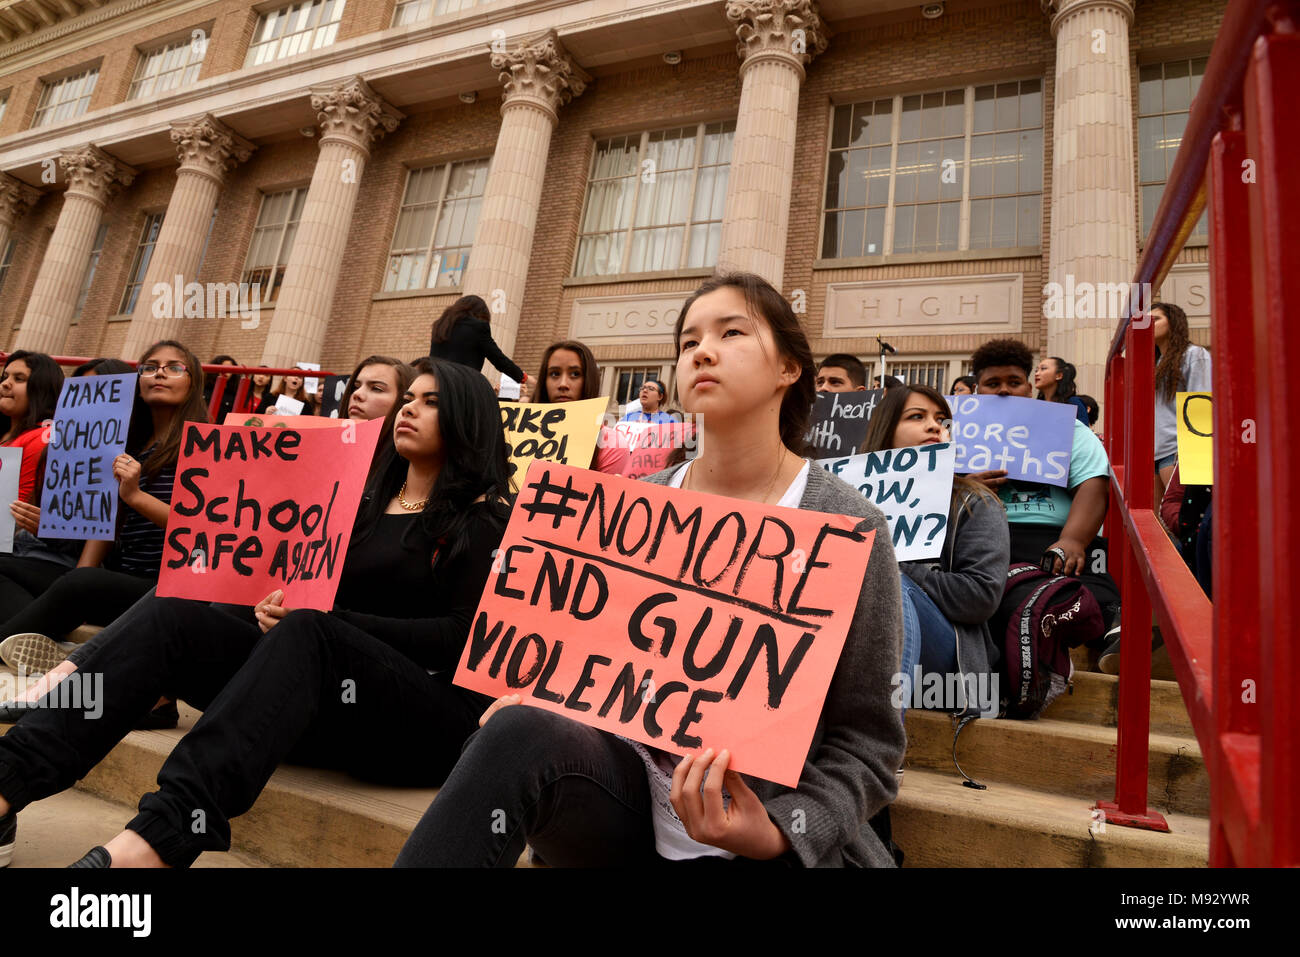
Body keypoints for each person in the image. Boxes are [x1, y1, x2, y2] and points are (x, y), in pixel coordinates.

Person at [395, 271, 905, 868]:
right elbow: (588, 665)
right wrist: (537, 696)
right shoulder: (628, 505)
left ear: (791, 368)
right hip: (626, 817)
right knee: (517, 732)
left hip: (759, 845)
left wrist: (777, 832)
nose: (702, 352)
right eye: (688, 343)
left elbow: (869, 744)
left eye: (732, 332)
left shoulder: (849, 525)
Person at [0, 358, 512, 869]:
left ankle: (155, 844)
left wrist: (331, 624)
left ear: (468, 417)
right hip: (322, 699)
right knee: (171, 611)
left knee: (311, 630)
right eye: (408, 398)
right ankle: (7, 784)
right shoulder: (364, 503)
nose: (409, 410)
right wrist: (278, 605)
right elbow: (317, 603)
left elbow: (464, 636)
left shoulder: (485, 518)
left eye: (431, 402)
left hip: (425, 723)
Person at [0, 340, 210, 679]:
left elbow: (205, 529)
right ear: (137, 383)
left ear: (193, 382)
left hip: (170, 585)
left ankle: (25, 645)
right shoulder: (127, 445)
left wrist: (136, 496)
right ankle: (43, 646)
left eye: (174, 367)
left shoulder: (205, 444)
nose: (159, 373)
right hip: (123, 574)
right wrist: (76, 574)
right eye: (150, 367)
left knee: (81, 585)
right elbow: (105, 524)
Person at [859, 385, 1008, 722]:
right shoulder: (847, 499)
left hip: (949, 672)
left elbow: (980, 596)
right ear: (886, 429)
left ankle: (879, 749)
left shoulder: (975, 503)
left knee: (889, 580)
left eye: (943, 421)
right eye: (917, 416)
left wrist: (900, 568)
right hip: (855, 647)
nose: (935, 427)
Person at [965, 338, 1119, 644]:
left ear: (1028, 386)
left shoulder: (1067, 428)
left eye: (1014, 381)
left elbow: (1093, 482)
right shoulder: (955, 433)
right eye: (992, 383)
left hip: (1055, 538)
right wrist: (966, 487)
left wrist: (1073, 539)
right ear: (977, 390)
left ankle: (1106, 625)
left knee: (1094, 586)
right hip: (983, 537)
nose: (1004, 390)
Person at [1151, 302, 1211, 498]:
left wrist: (1194, 458)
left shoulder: (1194, 355)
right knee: (1157, 524)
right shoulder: (1155, 362)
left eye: (1156, 319)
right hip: (1153, 452)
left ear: (1173, 323)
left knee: (1179, 519)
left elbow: (1201, 406)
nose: (1150, 323)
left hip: (1177, 451)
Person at [429, 294, 527, 388]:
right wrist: (522, 377)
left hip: (436, 382)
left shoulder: (440, 327)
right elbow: (498, 359)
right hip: (462, 386)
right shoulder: (478, 327)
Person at [1033, 356, 1089, 424]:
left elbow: (1083, 432)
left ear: (1059, 375)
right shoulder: (1036, 406)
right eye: (1036, 370)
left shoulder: (1073, 403)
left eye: (1043, 368)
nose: (1037, 374)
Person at [202, 355, 242, 421]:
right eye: (223, 367)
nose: (226, 371)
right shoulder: (203, 388)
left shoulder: (234, 393)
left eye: (230, 368)